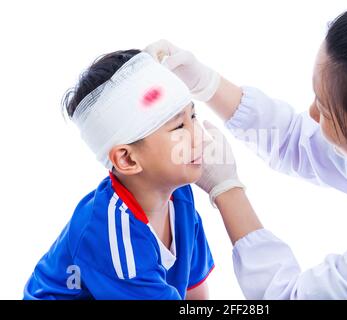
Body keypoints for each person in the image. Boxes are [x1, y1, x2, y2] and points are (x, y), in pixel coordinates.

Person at [146, 0, 347, 299]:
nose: (312, 113)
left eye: (327, 111)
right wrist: (207, 83)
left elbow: (289, 297)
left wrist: (226, 189)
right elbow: (295, 139)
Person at [24, 49, 215, 299]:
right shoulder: (113, 234)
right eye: (179, 127)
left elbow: (196, 296)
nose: (201, 137)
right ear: (127, 158)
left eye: (193, 116)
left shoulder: (181, 198)